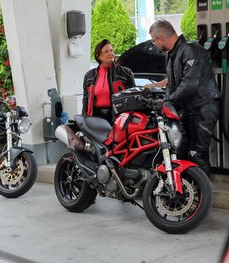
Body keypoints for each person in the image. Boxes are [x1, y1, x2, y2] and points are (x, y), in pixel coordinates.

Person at [149, 20, 220, 176]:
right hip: (187, 109)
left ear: (160, 39)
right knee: (181, 151)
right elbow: (171, 84)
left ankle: (203, 190)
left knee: (196, 154)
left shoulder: (190, 49)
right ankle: (186, 187)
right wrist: (166, 102)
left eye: (154, 41)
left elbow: (189, 84)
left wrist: (167, 102)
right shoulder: (170, 54)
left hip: (203, 107)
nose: (154, 44)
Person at [82, 39, 135, 125]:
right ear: (98, 56)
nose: (110, 53)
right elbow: (85, 99)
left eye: (111, 50)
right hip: (95, 116)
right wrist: (83, 118)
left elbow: (133, 96)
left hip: (118, 115)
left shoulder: (125, 72)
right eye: (106, 51)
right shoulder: (89, 75)